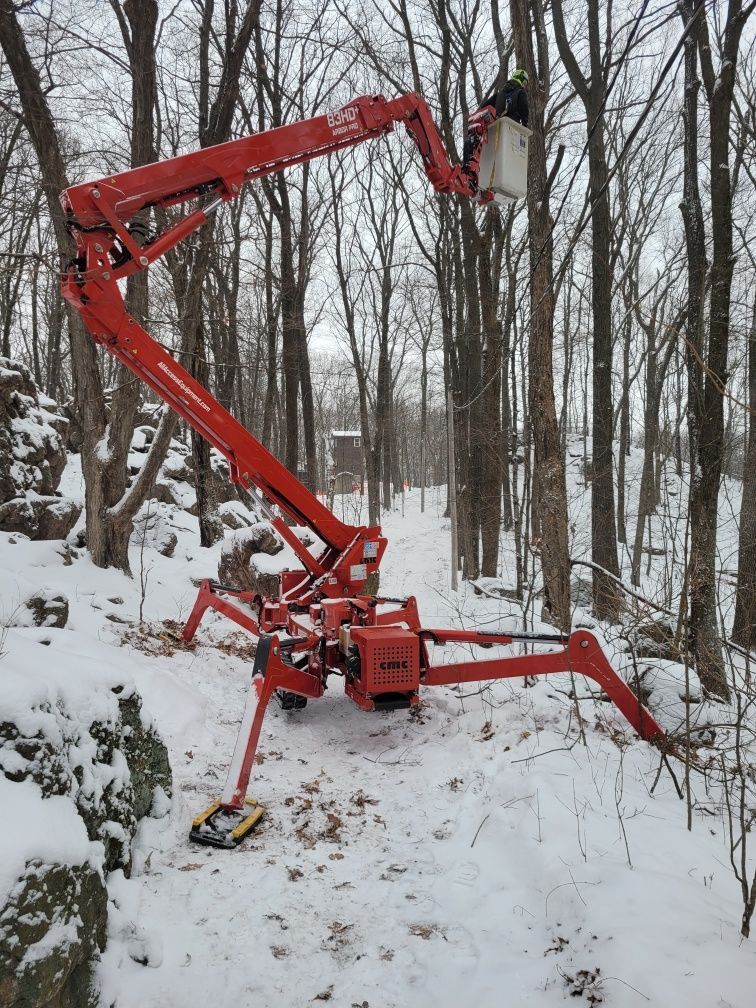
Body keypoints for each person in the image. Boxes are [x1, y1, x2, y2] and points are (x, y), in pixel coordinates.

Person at [462, 68, 529, 182]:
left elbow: (483, 106)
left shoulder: (500, 94)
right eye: (525, 83)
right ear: (522, 80)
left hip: (496, 129)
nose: (525, 85)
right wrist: (525, 124)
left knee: (491, 154)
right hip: (511, 129)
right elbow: (524, 108)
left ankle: (472, 168)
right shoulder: (521, 92)